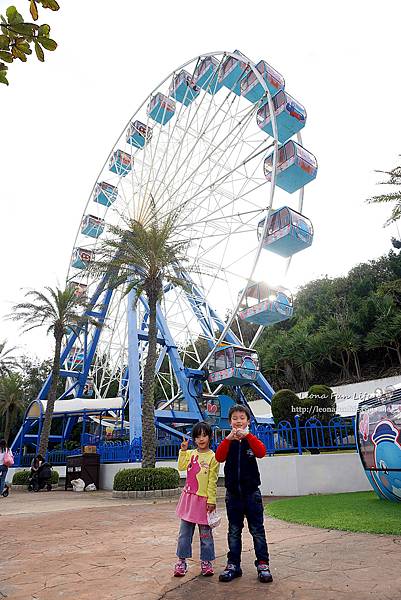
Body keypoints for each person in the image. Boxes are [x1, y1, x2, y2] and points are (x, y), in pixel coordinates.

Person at [215, 404, 273, 584]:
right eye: (235, 418)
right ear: (230, 421)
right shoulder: (228, 441)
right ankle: (233, 565)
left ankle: (263, 564)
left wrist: (248, 436)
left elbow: (261, 452)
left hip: (251, 494)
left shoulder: (251, 439)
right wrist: (228, 439)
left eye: (242, 418)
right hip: (233, 495)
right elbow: (219, 457)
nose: (238, 421)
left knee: (257, 530)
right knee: (234, 531)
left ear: (248, 421)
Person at [174, 421, 219, 577]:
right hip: (189, 500)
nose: (201, 439)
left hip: (204, 501)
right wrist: (183, 451)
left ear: (210, 437)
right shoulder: (191, 454)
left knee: (205, 535)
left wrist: (211, 500)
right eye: (198, 436)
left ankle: (206, 562)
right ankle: (181, 561)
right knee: (184, 534)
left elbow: (213, 480)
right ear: (194, 438)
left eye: (204, 435)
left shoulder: (213, 457)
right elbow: (181, 467)